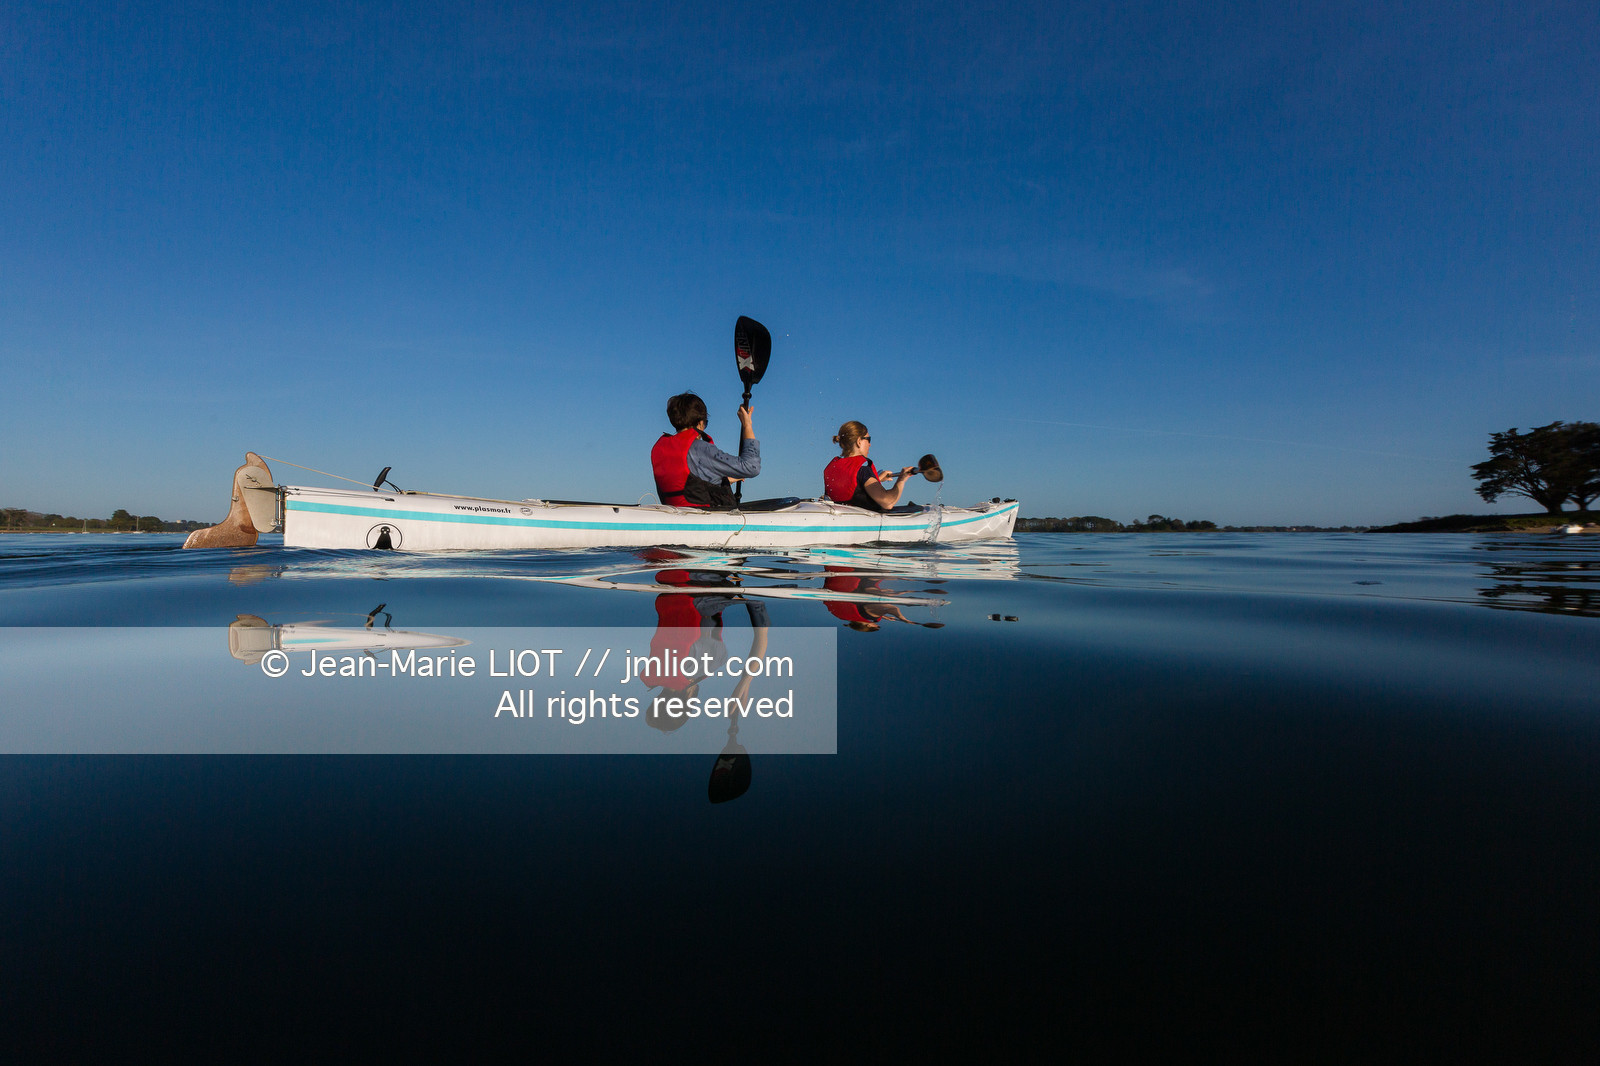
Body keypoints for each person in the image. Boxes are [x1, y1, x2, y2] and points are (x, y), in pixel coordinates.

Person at [651, 392, 760, 509]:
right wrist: (747, 425)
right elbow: (752, 467)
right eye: (705, 423)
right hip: (704, 515)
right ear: (700, 423)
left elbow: (690, 485)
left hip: (677, 514)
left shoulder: (662, 450)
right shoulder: (701, 449)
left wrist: (727, 479)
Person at [823, 421, 917, 512]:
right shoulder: (863, 470)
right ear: (859, 441)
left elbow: (854, 488)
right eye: (868, 439)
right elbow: (888, 502)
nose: (870, 444)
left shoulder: (833, 469)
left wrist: (877, 479)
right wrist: (901, 479)